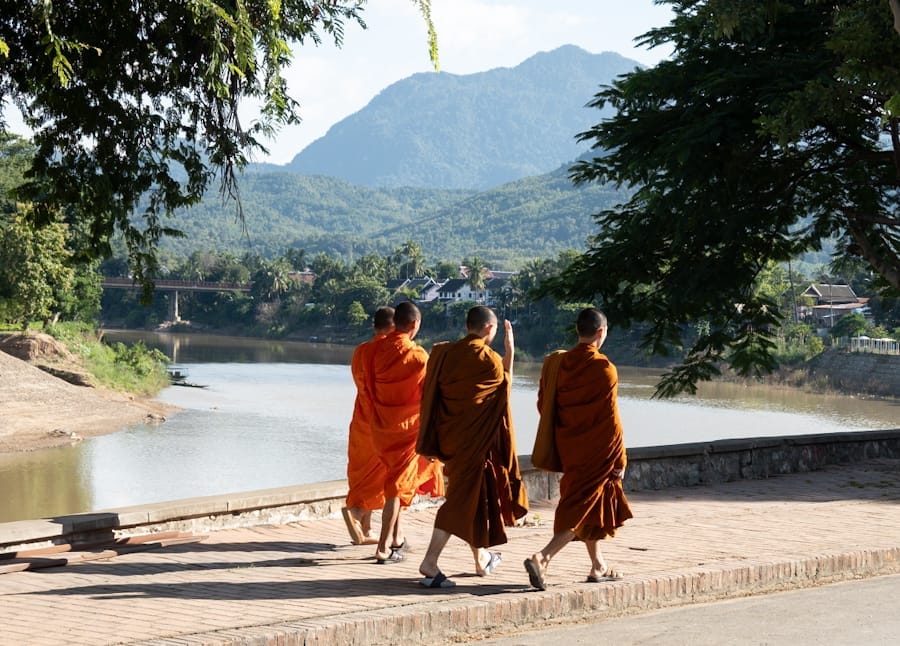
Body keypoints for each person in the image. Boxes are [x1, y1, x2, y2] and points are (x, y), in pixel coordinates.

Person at [416, 305, 529, 588]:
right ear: (489, 329)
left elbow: (435, 396)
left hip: (451, 439)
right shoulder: (490, 360)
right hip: (473, 443)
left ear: (468, 326)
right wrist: (510, 353)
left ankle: (481, 559)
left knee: (474, 498)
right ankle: (429, 562)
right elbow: (505, 389)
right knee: (457, 502)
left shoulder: (444, 354)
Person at [524, 307, 633, 591]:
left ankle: (599, 566)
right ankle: (542, 557)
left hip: (569, 445)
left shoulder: (558, 363)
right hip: (597, 450)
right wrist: (619, 457)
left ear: (578, 331)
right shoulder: (603, 368)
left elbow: (543, 405)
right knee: (580, 506)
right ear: (601, 332)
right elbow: (611, 419)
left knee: (588, 501)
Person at [368, 301, 443, 564]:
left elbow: (368, 387)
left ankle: (397, 537)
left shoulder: (378, 350)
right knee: (396, 487)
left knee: (393, 486)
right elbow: (431, 396)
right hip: (407, 430)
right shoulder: (418, 357)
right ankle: (382, 546)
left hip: (380, 428)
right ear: (414, 325)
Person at [341, 306, 394, 545]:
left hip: (361, 421)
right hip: (382, 422)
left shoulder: (361, 351)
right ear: (395, 327)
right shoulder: (391, 351)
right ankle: (355, 513)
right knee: (381, 476)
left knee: (363, 474)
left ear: (374, 325)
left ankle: (366, 529)